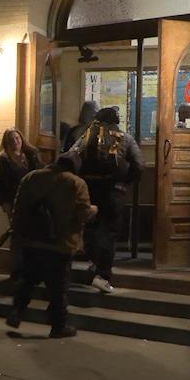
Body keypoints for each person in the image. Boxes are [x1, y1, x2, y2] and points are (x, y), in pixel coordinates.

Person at [6, 152, 98, 338]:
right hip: (60, 244)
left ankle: (17, 311)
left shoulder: (31, 177)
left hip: (31, 240)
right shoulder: (76, 183)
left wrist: (16, 235)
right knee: (58, 288)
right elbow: (83, 214)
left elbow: (18, 209)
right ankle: (58, 325)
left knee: (28, 280)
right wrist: (94, 210)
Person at [70, 107, 144, 293]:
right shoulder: (125, 138)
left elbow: (71, 156)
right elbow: (139, 164)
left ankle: (95, 265)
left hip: (88, 189)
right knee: (108, 232)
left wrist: (77, 183)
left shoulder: (87, 136)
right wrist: (125, 183)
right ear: (116, 120)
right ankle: (102, 275)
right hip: (113, 190)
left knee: (90, 228)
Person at [0, 128, 42, 219]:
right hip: (15, 201)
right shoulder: (2, 160)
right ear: (6, 143)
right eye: (11, 139)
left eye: (17, 138)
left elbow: (40, 174)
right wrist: (3, 202)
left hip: (34, 200)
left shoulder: (31, 154)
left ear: (21, 138)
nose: (15, 141)